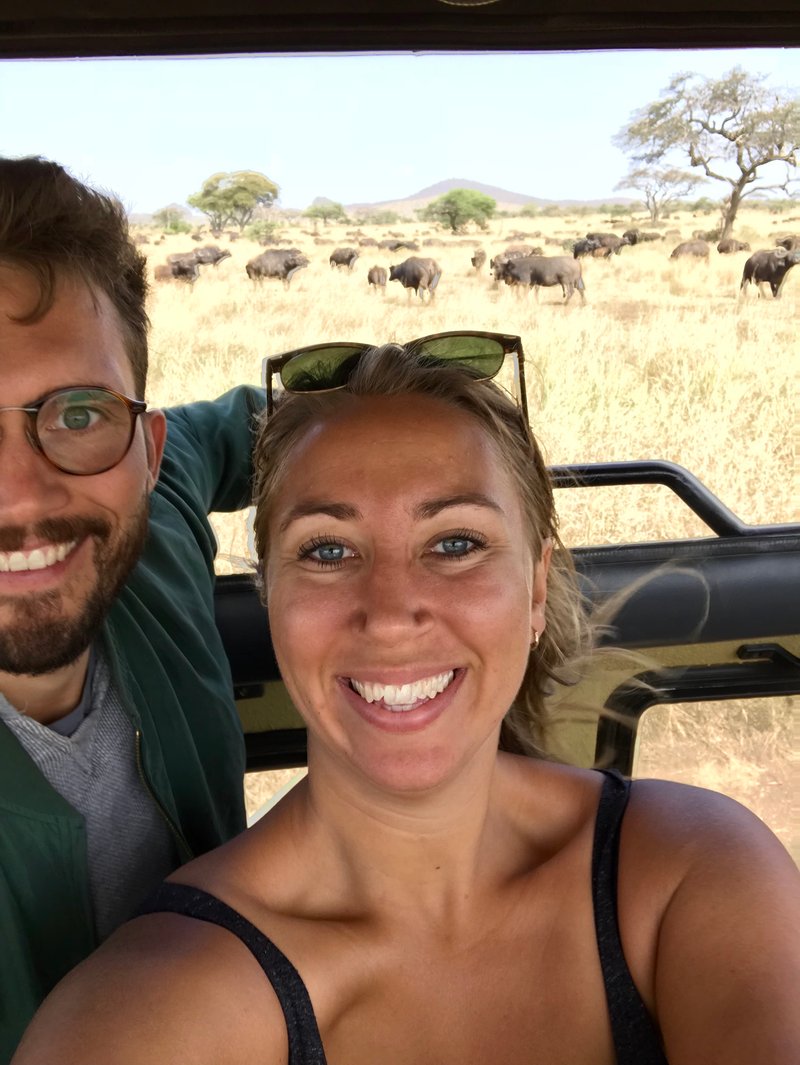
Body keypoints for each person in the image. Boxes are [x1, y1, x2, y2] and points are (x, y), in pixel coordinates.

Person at [13, 338, 800, 1064]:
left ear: (535, 588)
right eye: (327, 549)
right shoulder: (153, 1007)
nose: (390, 614)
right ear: (272, 594)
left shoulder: (693, 871)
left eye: (455, 543)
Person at [0, 155, 263, 1058]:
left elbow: (244, 424)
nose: (20, 495)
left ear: (146, 450)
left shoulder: (157, 523)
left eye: (77, 414)